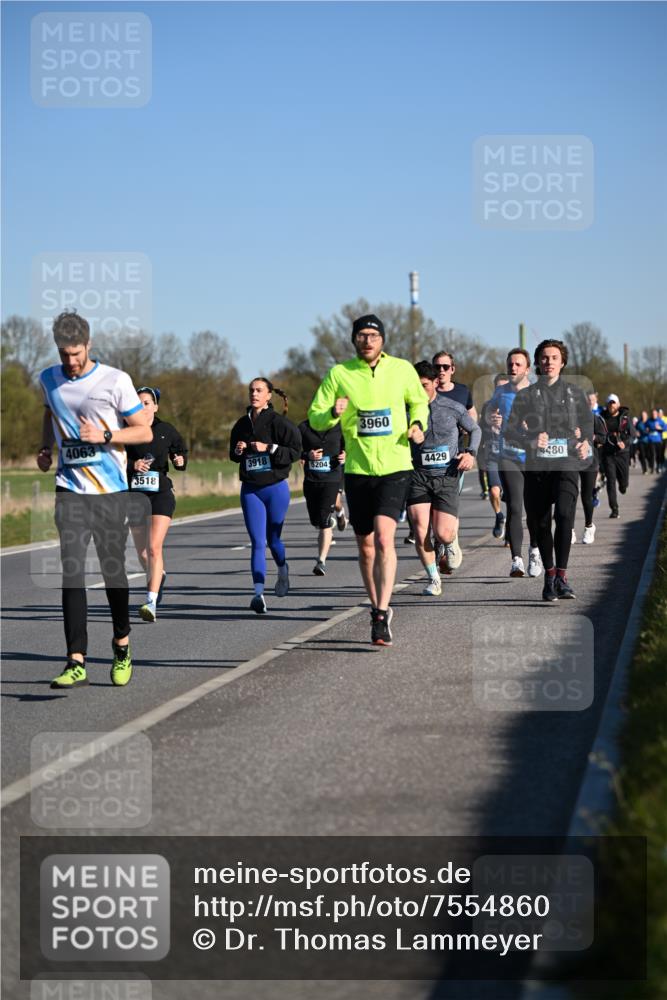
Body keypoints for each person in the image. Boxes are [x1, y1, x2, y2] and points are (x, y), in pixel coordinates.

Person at [36, 310, 151, 688]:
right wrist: (44, 446)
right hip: (69, 488)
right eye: (64, 354)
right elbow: (49, 411)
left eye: (76, 353)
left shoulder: (115, 380)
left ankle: (121, 643)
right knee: (71, 571)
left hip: (109, 491)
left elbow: (144, 432)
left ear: (89, 345)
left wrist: (103, 436)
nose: (70, 362)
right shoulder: (48, 379)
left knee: (111, 570)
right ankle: (75, 660)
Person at [308, 314, 429, 645]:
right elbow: (316, 417)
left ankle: (380, 612)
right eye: (361, 335)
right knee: (365, 546)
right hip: (358, 470)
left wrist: (417, 423)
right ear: (354, 340)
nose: (368, 340)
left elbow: (419, 401)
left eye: (373, 335)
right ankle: (379, 606)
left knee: (383, 539)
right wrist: (333, 412)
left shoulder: (401, 370)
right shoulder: (340, 374)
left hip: (395, 465)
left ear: (383, 340)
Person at [504, 338, 593, 602]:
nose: (549, 362)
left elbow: (589, 427)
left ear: (562, 362)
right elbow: (509, 431)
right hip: (536, 467)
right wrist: (529, 440)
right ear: (538, 363)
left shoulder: (574, 394)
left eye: (554, 358)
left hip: (565, 463)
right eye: (544, 358)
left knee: (565, 515)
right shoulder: (526, 396)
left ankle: (563, 578)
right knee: (540, 523)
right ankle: (549, 575)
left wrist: (585, 442)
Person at [406, 361, 480, 596]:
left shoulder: (452, 407)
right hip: (418, 477)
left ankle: (450, 542)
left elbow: (475, 430)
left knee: (443, 533)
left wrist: (470, 453)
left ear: (436, 382)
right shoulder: (404, 412)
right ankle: (433, 578)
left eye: (424, 385)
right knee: (419, 530)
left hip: (447, 475)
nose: (420, 391)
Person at [230, 378, 301, 614]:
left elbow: (295, 451)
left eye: (259, 390)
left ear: (269, 395)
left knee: (273, 541)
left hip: (275, 488)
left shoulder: (279, 423)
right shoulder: (241, 424)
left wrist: (268, 448)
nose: (254, 394)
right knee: (257, 543)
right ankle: (258, 594)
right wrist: (239, 451)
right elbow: (233, 455)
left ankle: (282, 569)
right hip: (251, 489)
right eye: (251, 390)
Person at [126, 387, 188, 622]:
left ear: (155, 406)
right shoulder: (127, 431)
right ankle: (158, 575)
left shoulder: (166, 430)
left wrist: (180, 460)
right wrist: (133, 465)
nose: (142, 407)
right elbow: (115, 459)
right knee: (142, 553)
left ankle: (151, 600)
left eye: (146, 403)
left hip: (160, 493)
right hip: (135, 495)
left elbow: (180, 453)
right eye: (138, 403)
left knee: (154, 547)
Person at [487, 348, 543, 577]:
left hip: (533, 458)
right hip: (508, 456)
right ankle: (516, 560)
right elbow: (489, 412)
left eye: (518, 364)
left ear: (527, 369)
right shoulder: (500, 391)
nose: (513, 368)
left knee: (536, 510)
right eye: (511, 364)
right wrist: (492, 420)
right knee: (516, 507)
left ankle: (535, 551)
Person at [431, 350, 477, 572]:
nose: (441, 371)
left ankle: (449, 541)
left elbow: (473, 417)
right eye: (437, 367)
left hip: (454, 456)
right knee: (430, 508)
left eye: (445, 367)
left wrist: (465, 431)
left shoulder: (462, 391)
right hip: (426, 459)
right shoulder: (424, 392)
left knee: (448, 502)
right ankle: (442, 542)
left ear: (453, 369)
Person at [298, 417, 347, 576]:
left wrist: (346, 454)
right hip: (312, 480)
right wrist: (307, 455)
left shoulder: (342, 425)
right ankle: (337, 515)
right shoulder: (304, 427)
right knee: (317, 521)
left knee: (325, 522)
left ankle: (321, 561)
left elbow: (352, 446)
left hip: (332, 478)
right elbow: (294, 450)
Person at [479, 373, 509, 542]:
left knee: (513, 497)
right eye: (498, 388)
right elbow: (481, 428)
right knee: (494, 491)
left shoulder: (515, 405)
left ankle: (511, 533)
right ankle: (499, 516)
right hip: (493, 455)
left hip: (512, 455)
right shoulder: (487, 406)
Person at [575, 391, 608, 544]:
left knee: (586, 496)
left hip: (590, 462)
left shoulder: (594, 418)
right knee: (569, 496)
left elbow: (603, 437)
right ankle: (569, 530)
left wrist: (591, 436)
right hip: (571, 461)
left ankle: (589, 526)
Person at [600, 394, 632, 518]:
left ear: (618, 404)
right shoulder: (602, 418)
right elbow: (598, 433)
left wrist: (625, 443)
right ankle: (614, 509)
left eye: (614, 403)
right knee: (610, 482)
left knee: (623, 483)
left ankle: (623, 486)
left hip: (622, 454)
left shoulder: (624, 419)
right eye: (609, 403)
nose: (611, 406)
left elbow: (631, 435)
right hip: (608, 454)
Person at [647, 408, 667, 473]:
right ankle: (652, 468)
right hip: (651, 440)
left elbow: (665, 428)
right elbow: (645, 427)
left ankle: (658, 466)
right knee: (652, 454)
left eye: (655, 414)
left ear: (657, 414)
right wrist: (646, 429)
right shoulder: (649, 421)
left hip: (658, 440)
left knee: (659, 455)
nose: (654, 415)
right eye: (653, 414)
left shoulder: (660, 420)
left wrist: (660, 428)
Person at [636, 410, 652, 474]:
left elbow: (651, 430)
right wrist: (636, 433)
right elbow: (635, 429)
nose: (643, 416)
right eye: (642, 415)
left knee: (649, 455)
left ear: (647, 415)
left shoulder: (649, 422)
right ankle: (644, 469)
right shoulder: (639, 423)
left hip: (649, 441)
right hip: (641, 441)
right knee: (642, 456)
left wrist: (646, 432)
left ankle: (650, 465)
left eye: (644, 415)